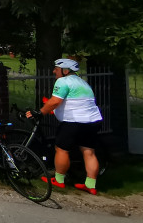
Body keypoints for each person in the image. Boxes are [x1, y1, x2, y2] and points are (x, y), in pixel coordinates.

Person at [27, 58, 103, 195]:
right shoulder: (83, 83)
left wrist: (40, 113)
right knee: (89, 152)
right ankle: (91, 185)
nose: (54, 71)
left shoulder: (63, 81)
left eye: (56, 68)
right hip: (93, 121)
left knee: (61, 149)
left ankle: (59, 179)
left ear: (65, 71)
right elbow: (74, 102)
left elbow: (55, 101)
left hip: (73, 121)